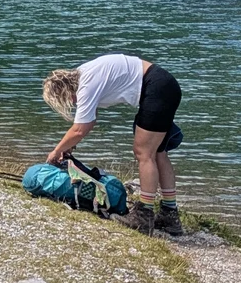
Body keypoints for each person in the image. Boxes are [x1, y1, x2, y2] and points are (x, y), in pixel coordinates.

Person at [42, 54, 185, 236]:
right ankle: (169, 214)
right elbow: (87, 123)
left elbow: (80, 129)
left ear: (66, 91)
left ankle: (144, 215)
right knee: (158, 152)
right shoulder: (85, 73)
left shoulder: (86, 86)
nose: (72, 102)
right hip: (164, 84)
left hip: (156, 89)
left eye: (67, 99)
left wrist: (57, 151)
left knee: (144, 153)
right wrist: (68, 145)